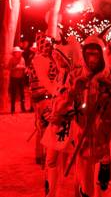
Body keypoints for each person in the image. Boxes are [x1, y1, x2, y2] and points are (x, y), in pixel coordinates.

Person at [52, 31, 111, 196]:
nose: (92, 59)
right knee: (85, 189)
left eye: (95, 54)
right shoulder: (75, 76)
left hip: (106, 147)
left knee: (103, 191)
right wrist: (72, 92)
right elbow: (58, 109)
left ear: (102, 54)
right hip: (82, 145)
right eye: (88, 54)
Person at [40, 35, 82, 196]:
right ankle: (52, 193)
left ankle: (78, 192)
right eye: (55, 56)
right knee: (51, 160)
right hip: (56, 124)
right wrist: (51, 112)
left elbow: (77, 104)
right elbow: (57, 98)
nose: (56, 59)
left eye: (59, 57)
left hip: (70, 126)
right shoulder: (60, 75)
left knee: (75, 162)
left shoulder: (75, 78)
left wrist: (62, 115)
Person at [27, 33, 58, 165]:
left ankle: (40, 155)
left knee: (42, 125)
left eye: (49, 46)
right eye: (46, 46)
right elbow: (44, 80)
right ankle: (44, 155)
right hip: (43, 97)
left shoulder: (44, 59)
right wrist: (54, 91)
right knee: (46, 126)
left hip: (44, 96)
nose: (48, 48)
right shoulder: (40, 60)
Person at [7, 46, 26, 114]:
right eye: (17, 52)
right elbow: (8, 67)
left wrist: (22, 67)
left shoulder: (22, 59)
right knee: (13, 93)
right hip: (14, 78)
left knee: (22, 94)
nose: (18, 53)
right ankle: (12, 109)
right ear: (14, 53)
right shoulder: (11, 59)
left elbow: (24, 67)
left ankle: (23, 108)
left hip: (21, 78)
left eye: (19, 52)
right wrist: (15, 68)